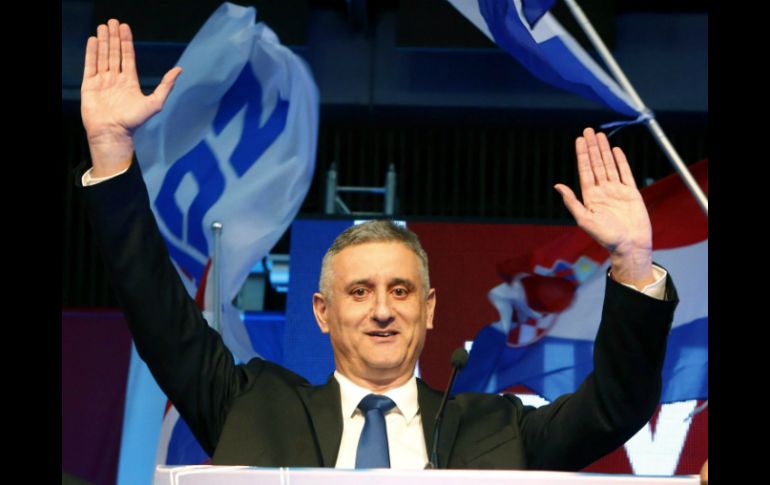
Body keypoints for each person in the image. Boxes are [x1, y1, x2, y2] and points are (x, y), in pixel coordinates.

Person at [79, 19, 678, 470]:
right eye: (360, 291)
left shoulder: (499, 430)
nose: (384, 309)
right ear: (322, 311)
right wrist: (111, 151)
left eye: (400, 290)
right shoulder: (252, 405)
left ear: (430, 308)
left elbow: (615, 407)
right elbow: (156, 310)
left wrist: (630, 260)